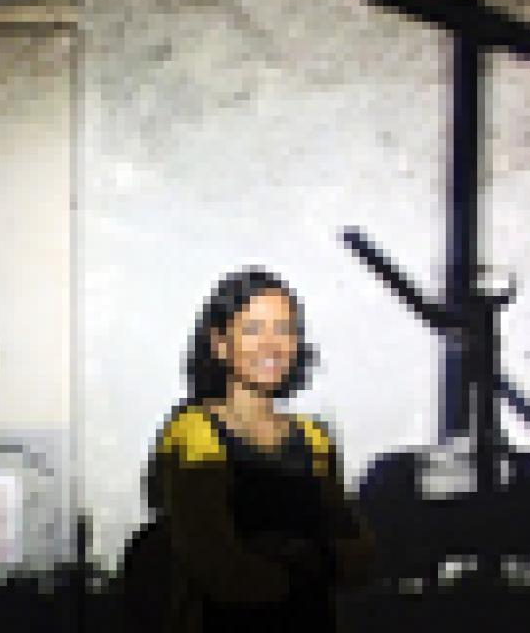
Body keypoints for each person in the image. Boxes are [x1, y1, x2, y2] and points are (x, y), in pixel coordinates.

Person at [122, 266, 374, 633]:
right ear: (220, 343)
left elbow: (358, 553)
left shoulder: (314, 439)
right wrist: (310, 565)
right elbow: (218, 566)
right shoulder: (193, 433)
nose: (272, 345)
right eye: (254, 329)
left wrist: (294, 560)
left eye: (284, 329)